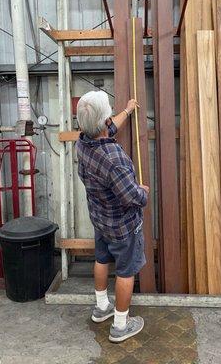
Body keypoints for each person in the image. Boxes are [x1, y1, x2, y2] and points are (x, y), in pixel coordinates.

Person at [76, 90, 149, 343]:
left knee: (101, 259)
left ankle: (101, 307)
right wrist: (143, 192)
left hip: (100, 220)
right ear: (105, 120)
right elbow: (133, 198)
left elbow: (107, 130)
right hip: (123, 227)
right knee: (126, 272)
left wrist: (127, 110)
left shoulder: (83, 142)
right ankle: (120, 325)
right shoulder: (114, 159)